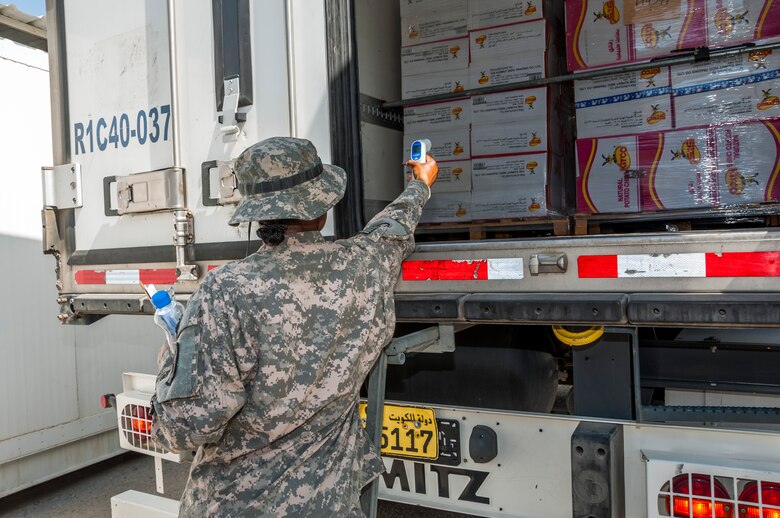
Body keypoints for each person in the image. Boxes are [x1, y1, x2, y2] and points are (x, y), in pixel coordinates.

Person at [151, 136, 438, 516]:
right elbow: (390, 231)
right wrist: (420, 184)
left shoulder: (225, 290)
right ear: (321, 207)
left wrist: (170, 358)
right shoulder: (362, 267)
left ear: (257, 213)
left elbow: (184, 428)